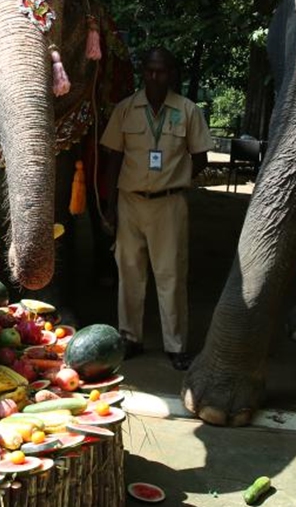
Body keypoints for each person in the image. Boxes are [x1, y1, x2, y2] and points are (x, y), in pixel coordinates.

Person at [100, 47, 211, 370]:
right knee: (129, 273)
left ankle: (175, 345)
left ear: (172, 74)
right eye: (149, 70)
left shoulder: (188, 111)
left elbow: (200, 156)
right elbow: (114, 158)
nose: (154, 77)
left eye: (161, 71)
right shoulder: (126, 110)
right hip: (130, 201)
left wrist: (177, 176)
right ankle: (130, 338)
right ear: (142, 72)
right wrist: (110, 207)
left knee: (171, 275)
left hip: (170, 204)